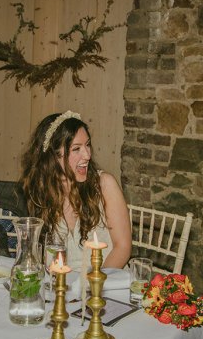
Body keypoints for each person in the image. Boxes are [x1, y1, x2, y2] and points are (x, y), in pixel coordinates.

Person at [20, 110, 131, 270]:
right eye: (76, 149)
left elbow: (123, 248)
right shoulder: (42, 193)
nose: (87, 155)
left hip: (106, 283)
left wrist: (93, 286)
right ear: (54, 156)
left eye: (87, 145)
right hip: (63, 287)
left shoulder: (104, 184)